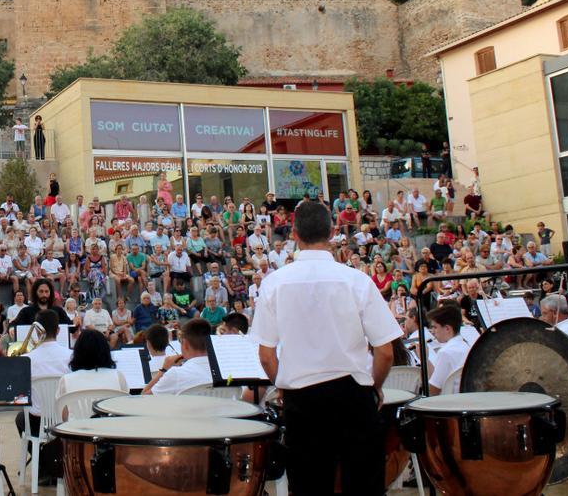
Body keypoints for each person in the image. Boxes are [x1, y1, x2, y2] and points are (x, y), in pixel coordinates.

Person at [249, 200, 402, 495]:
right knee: (362, 486)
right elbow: (385, 351)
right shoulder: (357, 281)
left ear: (294, 233)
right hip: (354, 396)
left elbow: (267, 356)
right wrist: (375, 387)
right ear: (332, 232)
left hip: (302, 401)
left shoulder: (274, 283)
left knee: (309, 486)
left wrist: (282, 385)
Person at [14, 309, 71, 484]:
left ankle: (45, 465)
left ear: (38, 331)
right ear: (59, 331)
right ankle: (53, 463)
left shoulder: (26, 359)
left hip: (37, 421)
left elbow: (19, 395)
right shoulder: (71, 355)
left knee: (20, 419)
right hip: (65, 420)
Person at [143, 318, 214, 395]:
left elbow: (143, 397)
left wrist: (163, 370)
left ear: (185, 344)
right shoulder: (224, 371)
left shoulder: (176, 374)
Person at [55, 329, 127, 404]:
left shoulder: (66, 380)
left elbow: (62, 412)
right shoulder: (119, 377)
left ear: (78, 352)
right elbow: (124, 404)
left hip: (78, 416)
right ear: (105, 350)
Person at [426, 304, 473, 395]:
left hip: (448, 404)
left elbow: (433, 390)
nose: (433, 331)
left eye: (435, 327)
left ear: (447, 328)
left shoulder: (445, 352)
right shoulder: (465, 345)